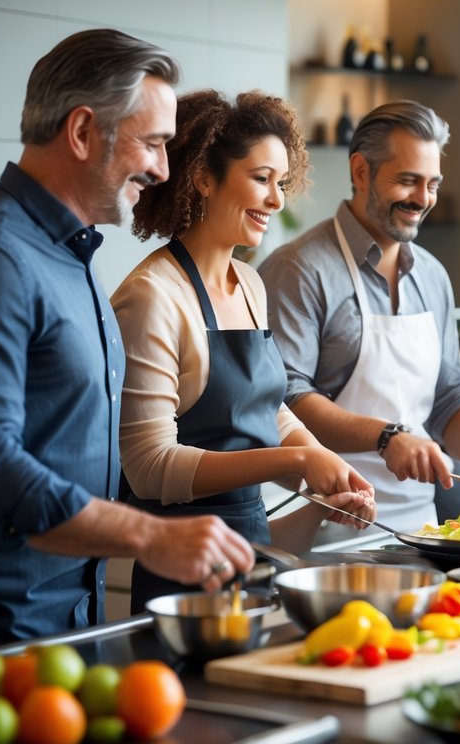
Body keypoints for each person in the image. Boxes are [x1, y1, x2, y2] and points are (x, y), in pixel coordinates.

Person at [0, 29, 254, 644]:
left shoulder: (73, 257)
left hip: (72, 623)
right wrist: (151, 534)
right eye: (155, 143)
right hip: (7, 630)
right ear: (82, 133)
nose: (164, 169)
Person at [112, 90, 377, 611]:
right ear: (204, 178)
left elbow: (265, 406)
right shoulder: (151, 296)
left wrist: (318, 472)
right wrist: (297, 457)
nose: (277, 200)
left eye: (282, 183)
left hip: (252, 557)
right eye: (262, 179)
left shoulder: (250, 284)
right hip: (180, 579)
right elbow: (149, 466)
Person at [260, 101, 460, 533]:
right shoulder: (299, 269)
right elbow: (284, 397)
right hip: (323, 524)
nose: (423, 199)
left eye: (432, 184)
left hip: (419, 528)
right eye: (408, 181)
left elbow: (450, 394)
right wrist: (387, 436)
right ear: (361, 172)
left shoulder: (432, 275)